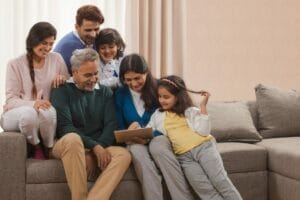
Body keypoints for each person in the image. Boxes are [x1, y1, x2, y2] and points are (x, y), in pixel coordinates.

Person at [50, 48, 131, 200]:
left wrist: (95, 150)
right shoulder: (61, 91)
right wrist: (93, 147)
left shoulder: (105, 92)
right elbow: (65, 127)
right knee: (73, 139)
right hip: (67, 143)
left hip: (97, 145)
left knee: (123, 154)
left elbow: (110, 124)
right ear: (74, 73)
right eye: (88, 75)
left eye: (95, 73)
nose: (93, 79)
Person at [146, 75, 243, 200]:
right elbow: (149, 131)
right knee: (204, 190)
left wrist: (203, 108)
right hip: (184, 158)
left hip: (204, 148)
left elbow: (203, 131)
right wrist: (137, 131)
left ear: (178, 97)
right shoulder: (157, 115)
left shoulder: (190, 111)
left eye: (166, 97)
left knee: (220, 181)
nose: (162, 100)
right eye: (160, 96)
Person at [114, 54, 194, 200]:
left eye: (138, 78)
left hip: (159, 137)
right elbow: (119, 127)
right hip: (134, 141)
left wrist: (151, 135)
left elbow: (174, 120)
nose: (133, 83)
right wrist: (128, 132)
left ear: (146, 72)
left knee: (159, 148)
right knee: (139, 155)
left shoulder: (160, 88)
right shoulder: (120, 94)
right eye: (128, 80)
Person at [0, 22, 69, 160]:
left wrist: (63, 78)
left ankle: (48, 147)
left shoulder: (57, 59)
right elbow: (11, 100)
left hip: (44, 111)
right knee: (29, 114)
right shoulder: (15, 64)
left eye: (51, 44)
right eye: (44, 43)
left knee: (48, 112)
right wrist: (33, 104)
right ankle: (36, 146)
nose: (48, 48)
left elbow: (69, 88)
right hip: (15, 113)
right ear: (33, 40)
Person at [54, 4, 104, 74]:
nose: (93, 35)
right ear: (77, 27)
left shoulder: (97, 39)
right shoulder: (67, 46)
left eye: (96, 29)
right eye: (88, 30)